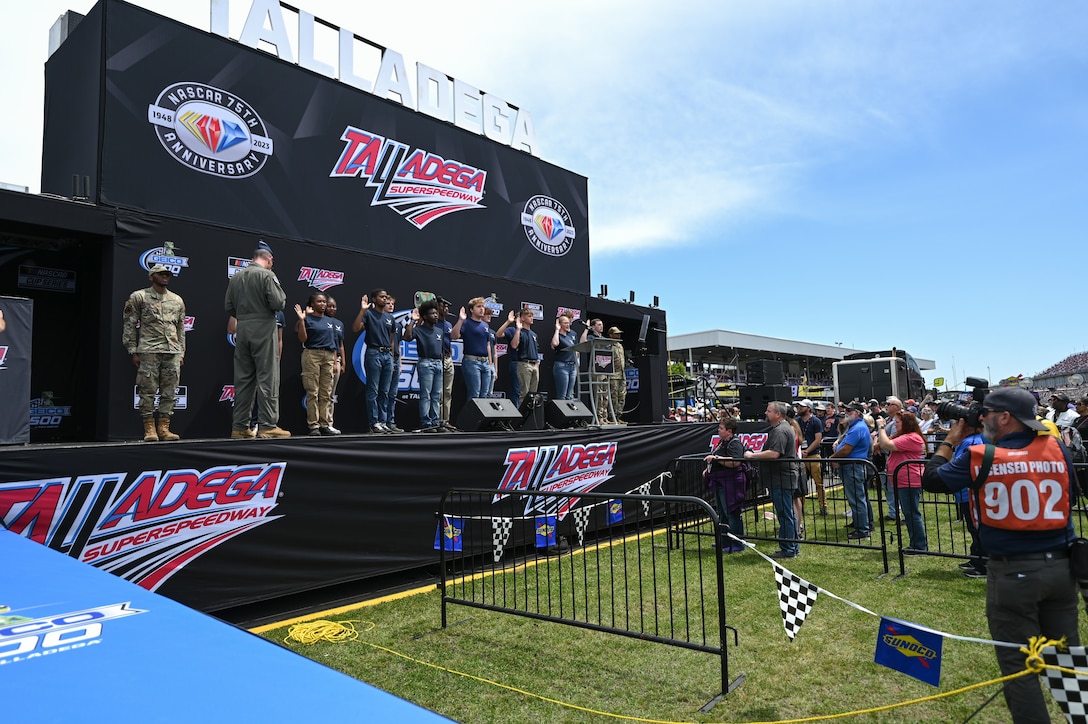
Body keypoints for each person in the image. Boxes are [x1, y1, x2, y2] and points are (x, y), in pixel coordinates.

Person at [922, 386, 1079, 722]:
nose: (982, 419)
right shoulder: (1056, 448)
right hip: (1062, 569)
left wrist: (952, 438)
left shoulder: (983, 455)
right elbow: (1074, 496)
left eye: (987, 413)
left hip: (1013, 574)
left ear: (1005, 417)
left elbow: (932, 479)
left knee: (1019, 668)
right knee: (1066, 660)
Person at [225, 243, 289, 439]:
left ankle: (240, 427)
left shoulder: (236, 277)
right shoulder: (267, 275)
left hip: (243, 329)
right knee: (268, 377)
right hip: (263, 327)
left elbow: (229, 307)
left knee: (243, 379)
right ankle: (268, 425)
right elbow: (279, 303)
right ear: (269, 259)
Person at [122, 264, 186, 442]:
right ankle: (149, 429)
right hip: (149, 350)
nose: (165, 276)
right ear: (152, 276)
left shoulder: (177, 300)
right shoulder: (139, 297)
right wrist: (132, 350)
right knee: (147, 390)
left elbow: (180, 328)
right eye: (161, 274)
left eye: (167, 274)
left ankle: (164, 428)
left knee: (170, 392)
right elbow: (129, 324)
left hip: (172, 350)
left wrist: (181, 352)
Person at [745, 401, 800, 559]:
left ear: (778, 414)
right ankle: (791, 547)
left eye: (768, 411)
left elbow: (774, 453)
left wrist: (752, 455)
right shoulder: (781, 428)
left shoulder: (780, 430)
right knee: (786, 514)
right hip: (781, 478)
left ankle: (789, 548)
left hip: (782, 479)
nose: (765, 413)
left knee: (785, 515)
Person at [875, 410, 927, 552]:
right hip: (902, 480)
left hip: (909, 480)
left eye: (897, 422)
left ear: (906, 424)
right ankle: (916, 544)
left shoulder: (912, 438)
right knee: (909, 513)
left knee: (911, 513)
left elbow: (886, 444)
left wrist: (881, 427)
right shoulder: (906, 436)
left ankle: (919, 546)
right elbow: (882, 441)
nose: (895, 425)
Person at [294, 293, 340, 436]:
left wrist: (334, 362)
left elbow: (334, 344)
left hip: (328, 356)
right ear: (312, 304)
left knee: (326, 393)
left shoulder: (330, 321)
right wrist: (302, 321)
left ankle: (325, 424)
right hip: (312, 354)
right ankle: (313, 425)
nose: (323, 304)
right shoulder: (307, 318)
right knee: (312, 392)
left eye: (324, 302)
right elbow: (302, 339)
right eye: (319, 301)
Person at [353, 289, 395, 433]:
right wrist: (362, 310)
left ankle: (383, 421)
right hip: (373, 353)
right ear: (374, 299)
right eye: (381, 297)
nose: (384, 299)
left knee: (385, 391)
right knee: (373, 390)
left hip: (387, 355)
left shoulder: (390, 318)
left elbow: (392, 339)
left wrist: (393, 357)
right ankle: (374, 422)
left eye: (386, 297)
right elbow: (356, 328)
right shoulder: (369, 314)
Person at [830, 402, 873, 539]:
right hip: (852, 466)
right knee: (860, 498)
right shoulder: (854, 426)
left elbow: (846, 449)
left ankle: (862, 530)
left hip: (853, 466)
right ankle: (863, 523)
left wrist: (832, 457)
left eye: (849, 410)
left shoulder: (857, 428)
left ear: (858, 413)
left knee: (857, 499)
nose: (846, 412)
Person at [704, 416, 747, 552]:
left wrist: (716, 458)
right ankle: (724, 541)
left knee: (732, 512)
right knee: (722, 513)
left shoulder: (734, 443)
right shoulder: (722, 443)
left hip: (731, 482)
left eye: (721, 428)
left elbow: (736, 461)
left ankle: (738, 543)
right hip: (720, 481)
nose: (718, 430)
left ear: (729, 431)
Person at [403, 300, 445, 432]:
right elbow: (407, 337)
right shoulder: (419, 330)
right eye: (432, 313)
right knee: (426, 394)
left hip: (438, 363)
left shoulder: (439, 331)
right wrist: (413, 321)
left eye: (436, 313)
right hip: (425, 363)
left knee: (436, 395)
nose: (436, 315)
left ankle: (435, 421)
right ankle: (426, 423)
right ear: (425, 316)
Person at [451, 297, 492, 402]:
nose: (482, 309)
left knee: (485, 395)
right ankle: (473, 418)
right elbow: (454, 336)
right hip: (472, 362)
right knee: (475, 394)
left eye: (483, 306)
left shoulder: (485, 325)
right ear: (471, 310)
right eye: (478, 306)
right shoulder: (466, 323)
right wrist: (460, 320)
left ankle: (482, 419)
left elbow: (487, 345)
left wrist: (490, 364)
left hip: (485, 362)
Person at [796, 400, 827, 516]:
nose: (799, 408)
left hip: (813, 454)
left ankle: (823, 506)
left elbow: (818, 439)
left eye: (801, 407)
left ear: (808, 408)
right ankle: (800, 507)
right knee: (801, 483)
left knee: (819, 483)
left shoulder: (816, 421)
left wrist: (807, 450)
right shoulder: (797, 421)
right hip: (802, 455)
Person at [505, 308, 540, 406]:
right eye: (529, 316)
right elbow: (514, 345)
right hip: (524, 364)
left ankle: (529, 418)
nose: (532, 318)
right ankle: (521, 419)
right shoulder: (519, 331)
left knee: (533, 395)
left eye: (532, 316)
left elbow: (536, 352)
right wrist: (518, 329)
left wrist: (537, 366)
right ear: (522, 318)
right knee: (523, 394)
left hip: (534, 365)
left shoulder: (534, 334)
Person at [550, 312, 587, 400]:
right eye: (565, 323)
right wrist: (556, 330)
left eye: (568, 323)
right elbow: (555, 344)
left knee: (569, 395)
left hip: (572, 366)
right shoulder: (558, 335)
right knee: (562, 396)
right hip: (562, 366)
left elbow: (577, 349)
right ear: (560, 324)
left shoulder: (571, 335)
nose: (568, 325)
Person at [324, 296, 345, 434]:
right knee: (321, 393)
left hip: (336, 359)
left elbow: (341, 345)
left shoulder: (339, 324)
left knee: (331, 394)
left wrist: (343, 361)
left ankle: (329, 423)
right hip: (322, 358)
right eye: (329, 306)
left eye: (334, 306)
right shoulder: (319, 320)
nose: (332, 308)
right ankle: (319, 423)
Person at [383, 294, 404, 432]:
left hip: (396, 359)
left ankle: (391, 421)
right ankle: (381, 421)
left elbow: (399, 344)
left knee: (393, 394)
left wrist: (400, 362)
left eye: (392, 303)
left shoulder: (397, 325)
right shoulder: (379, 321)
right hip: (385, 357)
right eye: (388, 303)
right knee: (383, 392)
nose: (391, 305)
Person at [437, 297, 457, 430]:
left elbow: (451, 339)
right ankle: (437, 421)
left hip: (448, 358)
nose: (446, 308)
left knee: (447, 392)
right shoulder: (431, 322)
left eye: (446, 306)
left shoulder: (448, 324)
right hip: (436, 358)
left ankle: (445, 420)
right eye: (442, 306)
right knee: (438, 393)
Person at [603, 326, 627, 424]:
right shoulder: (608, 345)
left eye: (619, 333)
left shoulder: (620, 346)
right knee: (613, 396)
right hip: (613, 375)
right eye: (616, 333)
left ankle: (618, 415)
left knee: (622, 395)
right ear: (611, 334)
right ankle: (612, 416)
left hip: (622, 374)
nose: (618, 335)